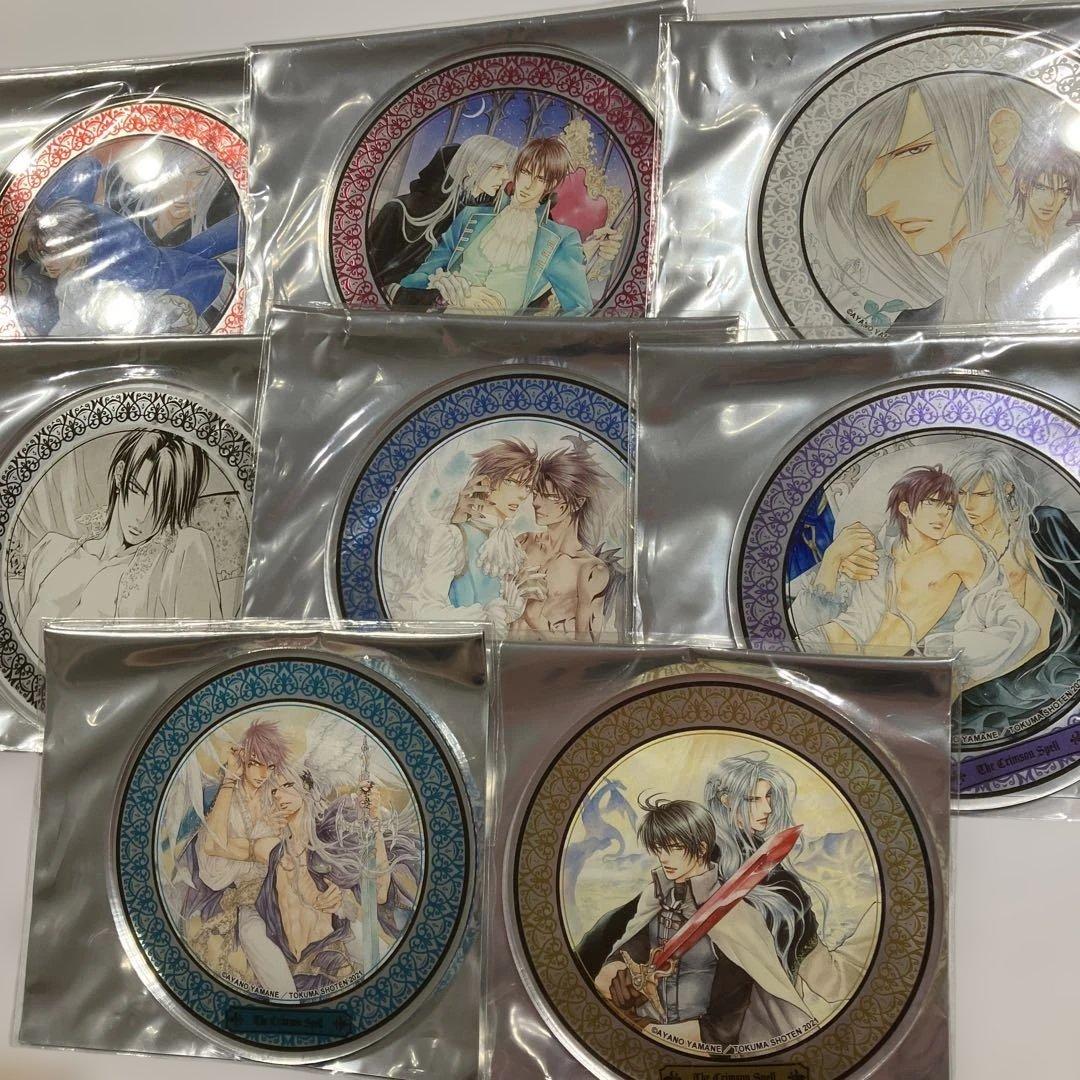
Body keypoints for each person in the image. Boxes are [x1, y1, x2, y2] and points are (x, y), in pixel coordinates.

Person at [807, 74, 1044, 330]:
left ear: (998, 138)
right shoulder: (910, 326)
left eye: (912, 151)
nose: (874, 206)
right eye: (863, 174)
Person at [789, 464, 1039, 690]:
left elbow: (1015, 622)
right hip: (819, 647)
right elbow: (805, 620)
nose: (943, 514)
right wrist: (832, 558)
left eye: (948, 506)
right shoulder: (875, 559)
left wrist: (946, 651)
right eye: (932, 503)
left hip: (879, 677)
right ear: (906, 508)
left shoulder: (957, 552)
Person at [15, 429, 223, 660]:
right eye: (137, 491)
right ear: (119, 475)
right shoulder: (49, 550)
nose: (143, 516)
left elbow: (203, 657)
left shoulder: (182, 550)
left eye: (161, 504)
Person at [950, 446, 1080, 739]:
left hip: (1034, 664)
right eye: (961, 493)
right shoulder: (959, 539)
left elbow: (1039, 637)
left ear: (1006, 487)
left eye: (981, 494)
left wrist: (968, 685)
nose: (968, 504)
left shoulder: (1034, 530)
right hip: (979, 656)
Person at [395, 136, 593, 315]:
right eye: (525, 172)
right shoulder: (471, 216)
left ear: (550, 185)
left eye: (540, 179)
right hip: (444, 319)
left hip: (499, 336)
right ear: (516, 171)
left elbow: (580, 308)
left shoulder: (560, 239)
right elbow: (419, 276)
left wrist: (529, 339)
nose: (529, 184)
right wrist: (439, 288)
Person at [180, 719, 291, 990]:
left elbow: (284, 850)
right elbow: (213, 847)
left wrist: (244, 848)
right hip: (247, 900)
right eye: (256, 763)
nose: (263, 773)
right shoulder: (222, 795)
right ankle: (289, 1000)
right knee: (253, 934)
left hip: (283, 893)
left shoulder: (276, 795)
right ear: (243, 759)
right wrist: (230, 777)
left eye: (270, 766)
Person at [395, 438, 538, 632]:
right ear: (486, 483)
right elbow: (422, 613)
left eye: (527, 487)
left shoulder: (510, 545)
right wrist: (486, 618)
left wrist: (511, 611)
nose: (522, 495)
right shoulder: (453, 535)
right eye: (512, 482)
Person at [943, 123, 1080, 325]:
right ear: (1024, 186)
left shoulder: (1073, 245)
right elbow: (959, 328)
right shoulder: (980, 248)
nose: (1051, 200)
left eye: (1062, 191)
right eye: (1042, 187)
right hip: (1002, 344)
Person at [367, 135, 516, 295]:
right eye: (497, 167)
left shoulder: (488, 218)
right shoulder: (400, 210)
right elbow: (366, 277)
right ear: (472, 168)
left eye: (507, 168)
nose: (505, 176)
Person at [510, 435, 623, 640]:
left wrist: (536, 619)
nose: (536, 503)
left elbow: (587, 647)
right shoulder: (523, 542)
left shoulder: (590, 570)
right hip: (496, 652)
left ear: (577, 503)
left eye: (549, 497)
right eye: (536, 493)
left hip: (544, 658)